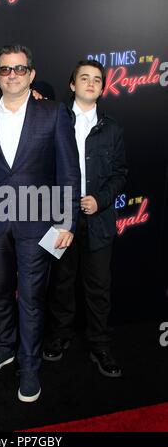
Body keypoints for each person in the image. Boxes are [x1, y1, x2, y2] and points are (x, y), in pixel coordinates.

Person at [0, 45, 80, 402]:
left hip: (37, 225)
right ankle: (5, 346)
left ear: (31, 74)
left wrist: (67, 221)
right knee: (0, 292)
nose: (12, 75)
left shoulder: (53, 113)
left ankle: (30, 366)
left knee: (32, 300)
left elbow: (69, 171)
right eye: (5, 70)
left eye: (20, 69)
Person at [43, 60, 127, 377]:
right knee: (61, 282)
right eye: (84, 78)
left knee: (98, 287)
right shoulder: (52, 120)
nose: (90, 83)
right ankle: (59, 337)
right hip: (58, 217)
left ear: (103, 88)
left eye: (97, 79)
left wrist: (100, 200)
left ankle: (100, 345)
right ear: (72, 84)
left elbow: (120, 174)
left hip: (99, 219)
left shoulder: (113, 128)